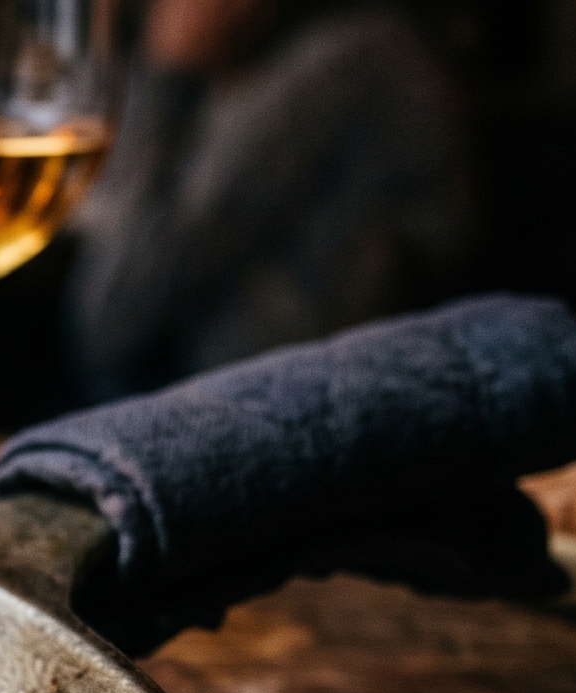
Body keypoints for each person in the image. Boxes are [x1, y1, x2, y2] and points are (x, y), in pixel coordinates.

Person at [65, 0, 473, 401]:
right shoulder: (238, 67)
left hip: (286, 419)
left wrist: (166, 80)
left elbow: (111, 318)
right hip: (212, 409)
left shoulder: (353, 55)